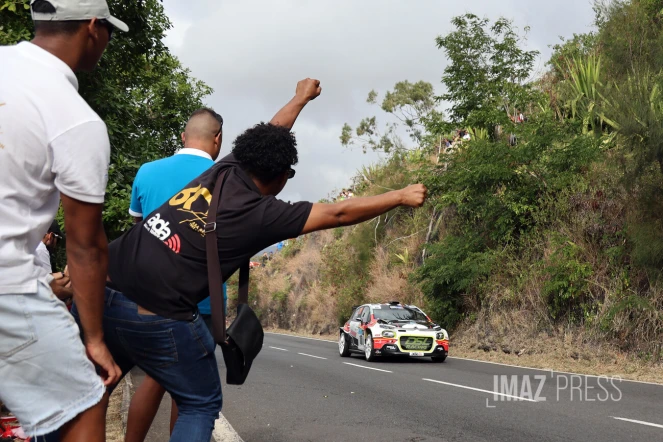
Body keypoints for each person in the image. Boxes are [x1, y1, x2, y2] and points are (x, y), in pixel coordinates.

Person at [72, 122, 427, 442]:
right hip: (159, 313)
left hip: (98, 293)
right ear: (280, 177)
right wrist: (399, 196)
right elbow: (338, 212)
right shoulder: (265, 214)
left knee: (91, 392)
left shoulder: (222, 169)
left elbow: (272, 129)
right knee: (199, 403)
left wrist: (300, 98)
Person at [123, 78, 321, 442]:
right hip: (202, 299)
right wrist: (301, 98)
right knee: (190, 390)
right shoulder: (227, 173)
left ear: (184, 135)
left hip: (145, 293)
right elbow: (272, 135)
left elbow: (140, 229)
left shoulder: (147, 172)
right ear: (218, 140)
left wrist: (299, 97)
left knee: (153, 377)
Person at [0, 0, 127, 440]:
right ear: (93, 27)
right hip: (8, 289)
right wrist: (93, 338)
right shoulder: (76, 119)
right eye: (109, 31)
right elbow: (86, 245)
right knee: (86, 402)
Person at [35, 220, 74, 304]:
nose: (56, 243)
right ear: (51, 235)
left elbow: (47, 277)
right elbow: (49, 287)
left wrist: (64, 274)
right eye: (57, 239)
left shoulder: (34, 244)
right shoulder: (41, 249)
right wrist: (68, 278)